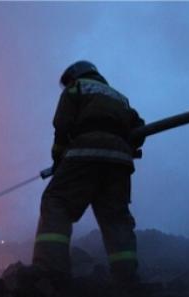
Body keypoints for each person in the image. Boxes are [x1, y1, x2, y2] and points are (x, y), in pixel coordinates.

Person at [32, 61, 145, 283]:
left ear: (75, 75)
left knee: (56, 202)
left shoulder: (77, 88)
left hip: (84, 152)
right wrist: (122, 144)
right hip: (120, 161)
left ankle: (50, 273)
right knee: (115, 217)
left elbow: (62, 125)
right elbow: (139, 130)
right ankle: (126, 279)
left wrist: (58, 161)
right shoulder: (119, 97)